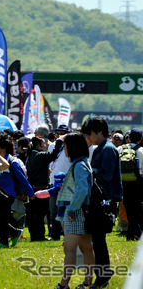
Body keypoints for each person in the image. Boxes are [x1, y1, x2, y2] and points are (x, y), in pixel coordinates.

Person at [82, 117, 122, 288]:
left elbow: (105, 175)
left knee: (99, 240)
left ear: (99, 132)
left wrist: (88, 171)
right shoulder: (101, 148)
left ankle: (103, 276)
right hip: (100, 200)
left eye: (90, 134)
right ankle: (102, 275)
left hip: (104, 201)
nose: (89, 138)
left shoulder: (107, 149)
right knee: (97, 240)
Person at [53, 132, 95, 289]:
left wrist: (70, 210)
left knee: (69, 250)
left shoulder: (79, 165)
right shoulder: (84, 162)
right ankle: (88, 284)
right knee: (87, 249)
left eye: (65, 146)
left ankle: (63, 285)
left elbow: (81, 190)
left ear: (72, 147)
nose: (64, 149)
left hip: (76, 212)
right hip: (84, 211)